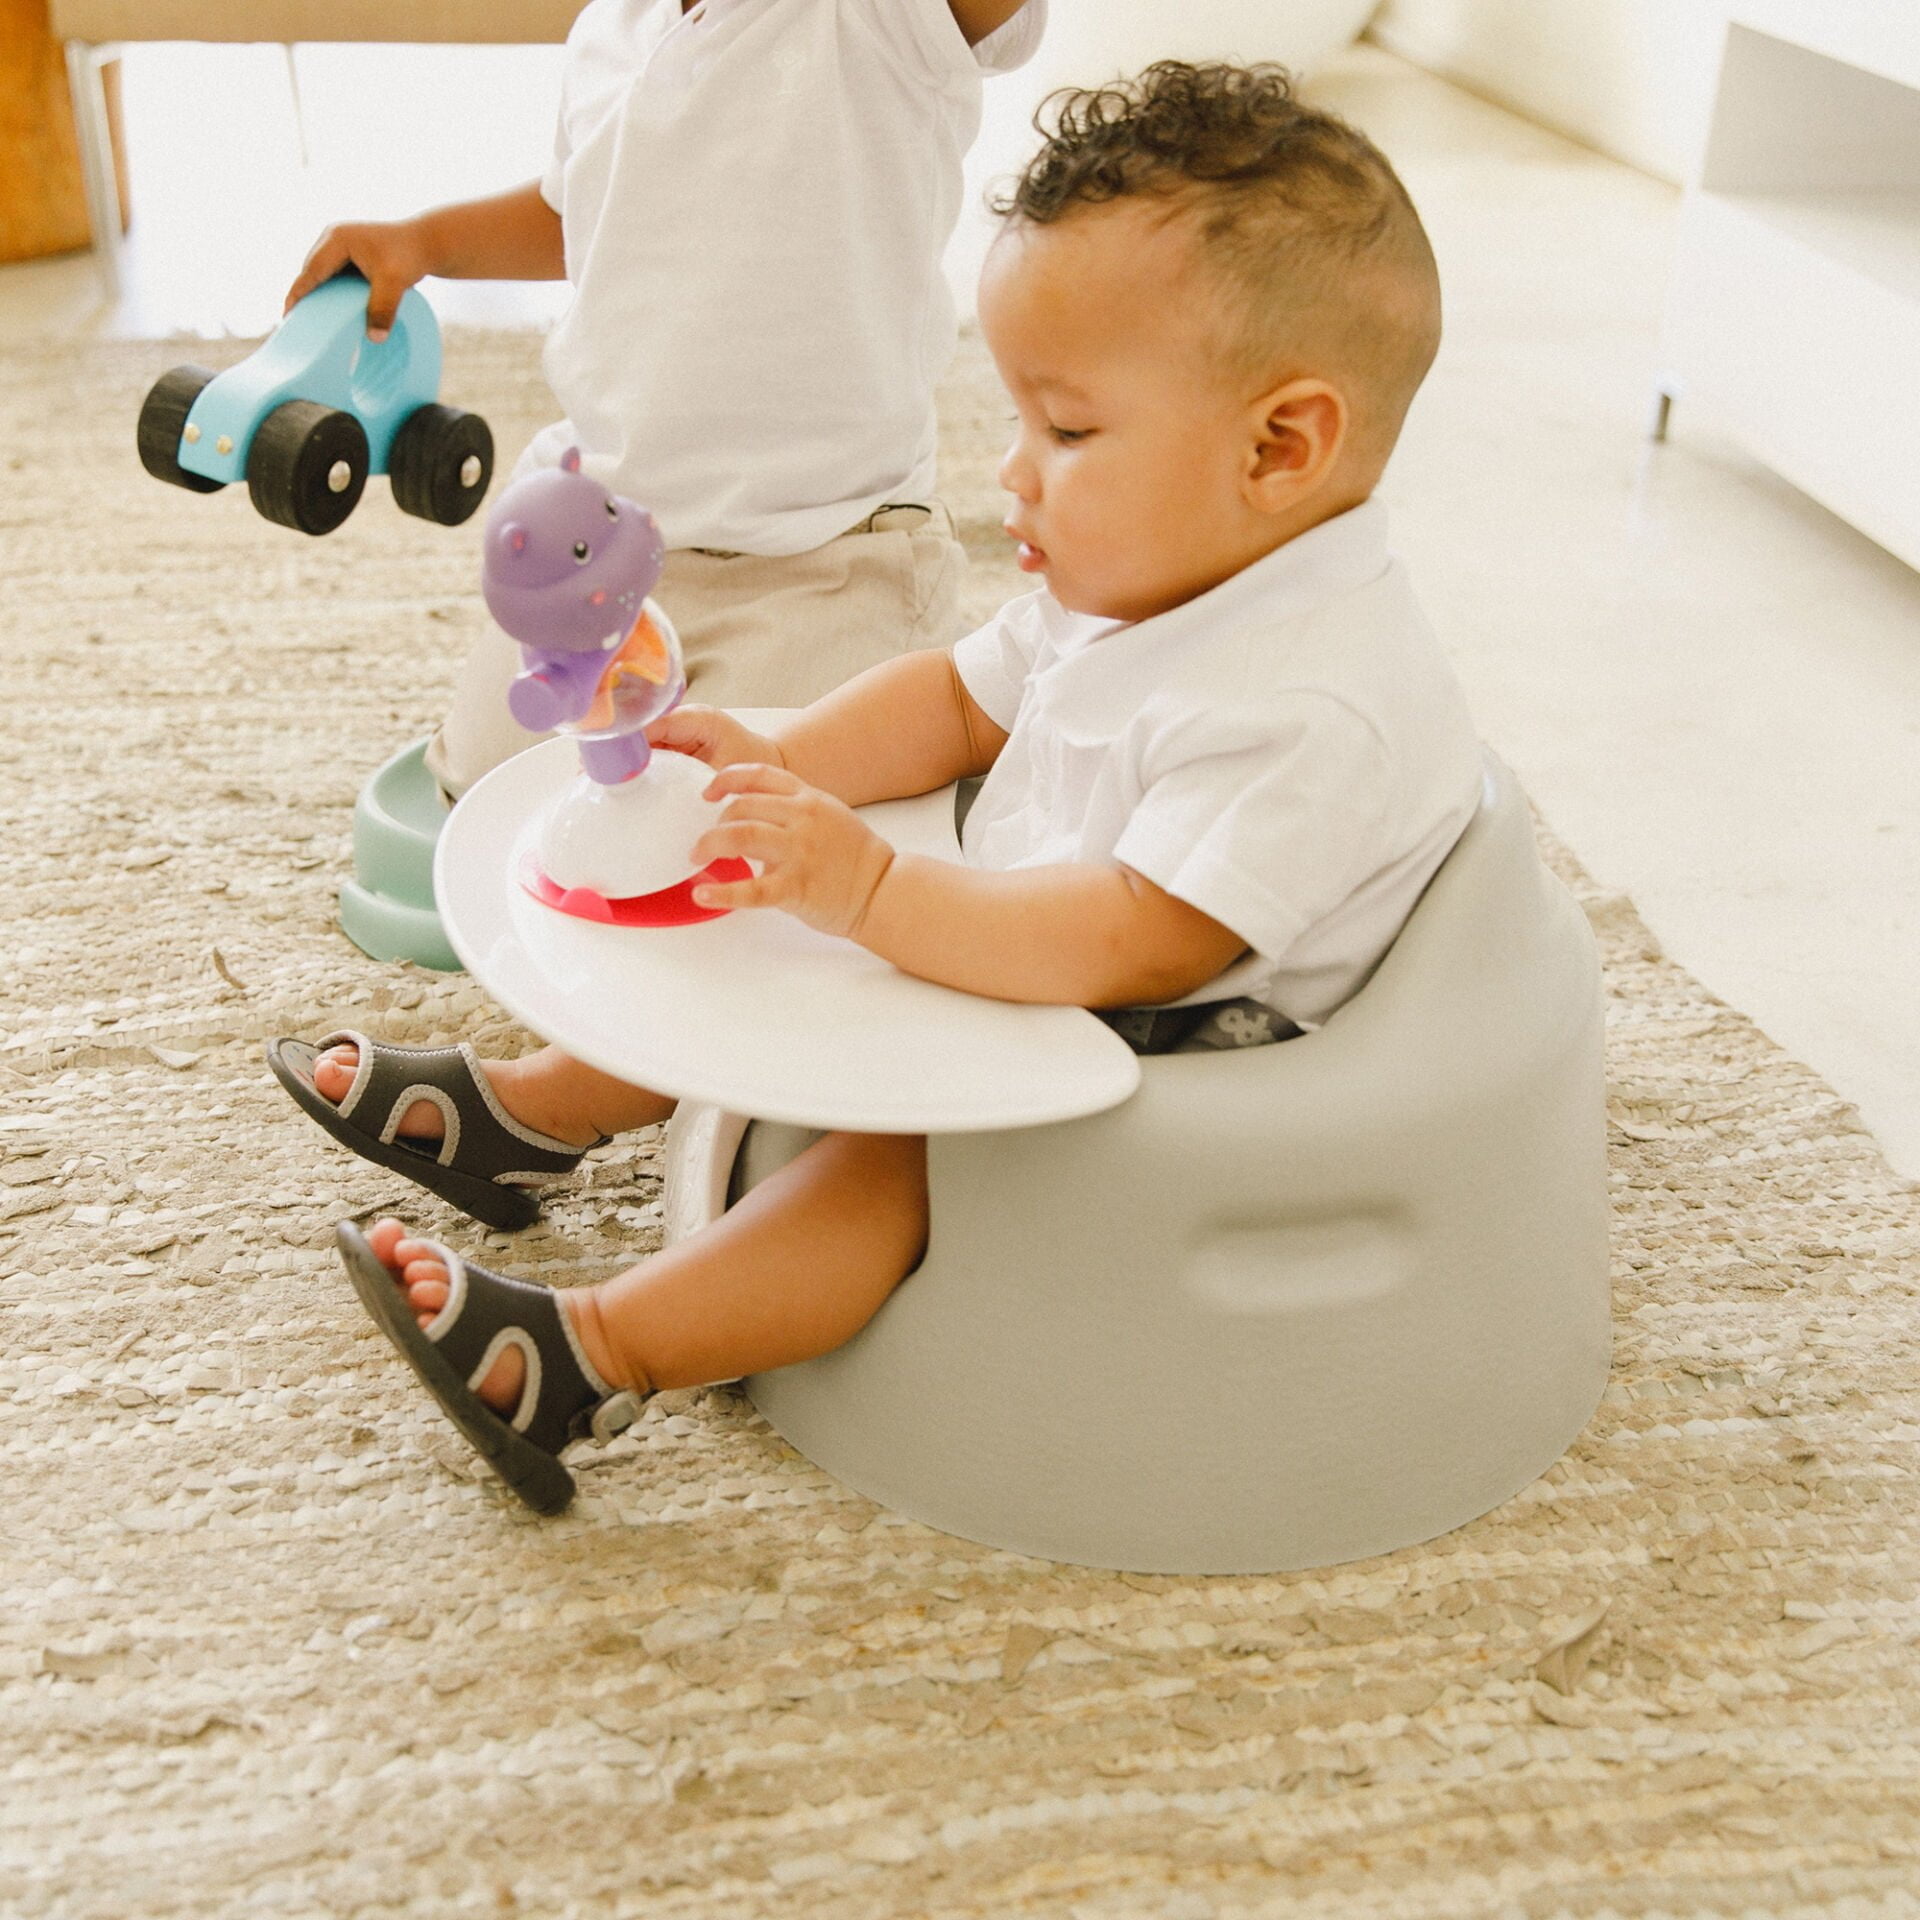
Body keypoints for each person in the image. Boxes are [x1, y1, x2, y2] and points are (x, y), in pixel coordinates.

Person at [269, 61, 1487, 1512]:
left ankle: (585, 1356)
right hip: (1053, 928)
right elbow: (962, 699)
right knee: (773, 901)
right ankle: (543, 1116)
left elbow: (1147, 941)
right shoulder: (1154, 572)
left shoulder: (1306, 701)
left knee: (894, 1163)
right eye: (1023, 422)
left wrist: (879, 892)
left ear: (1281, 445)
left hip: (1185, 1044)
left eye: (1072, 433)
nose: (1013, 473)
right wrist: (786, 766)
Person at [283, 0, 1048, 799]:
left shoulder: (881, 18)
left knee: (755, 798)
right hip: (613, 541)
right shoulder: (611, 30)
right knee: (490, 786)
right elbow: (582, 211)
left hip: (830, 551)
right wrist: (426, 242)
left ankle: (935, 663)